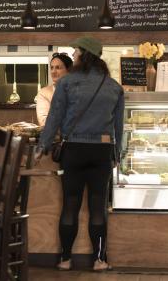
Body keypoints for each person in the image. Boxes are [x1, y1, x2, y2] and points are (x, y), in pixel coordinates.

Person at [35, 36, 124, 272]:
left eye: (75, 52)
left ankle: (65, 259)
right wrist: (117, 154)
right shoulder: (114, 86)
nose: (73, 56)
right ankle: (100, 260)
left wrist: (42, 145)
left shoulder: (67, 83)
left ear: (85, 54)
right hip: (102, 151)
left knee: (70, 204)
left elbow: (54, 118)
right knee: (97, 207)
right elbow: (118, 126)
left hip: (73, 150)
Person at [35, 52, 73, 126]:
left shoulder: (79, 91)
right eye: (52, 67)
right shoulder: (44, 93)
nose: (53, 71)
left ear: (69, 70)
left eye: (58, 68)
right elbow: (44, 122)